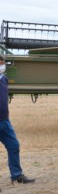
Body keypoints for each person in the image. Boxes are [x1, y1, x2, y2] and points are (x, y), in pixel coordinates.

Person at [0, 54, 35, 186]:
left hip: (4, 121)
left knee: (14, 146)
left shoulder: (4, 79)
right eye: (0, 63)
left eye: (3, 63)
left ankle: (16, 175)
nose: (2, 66)